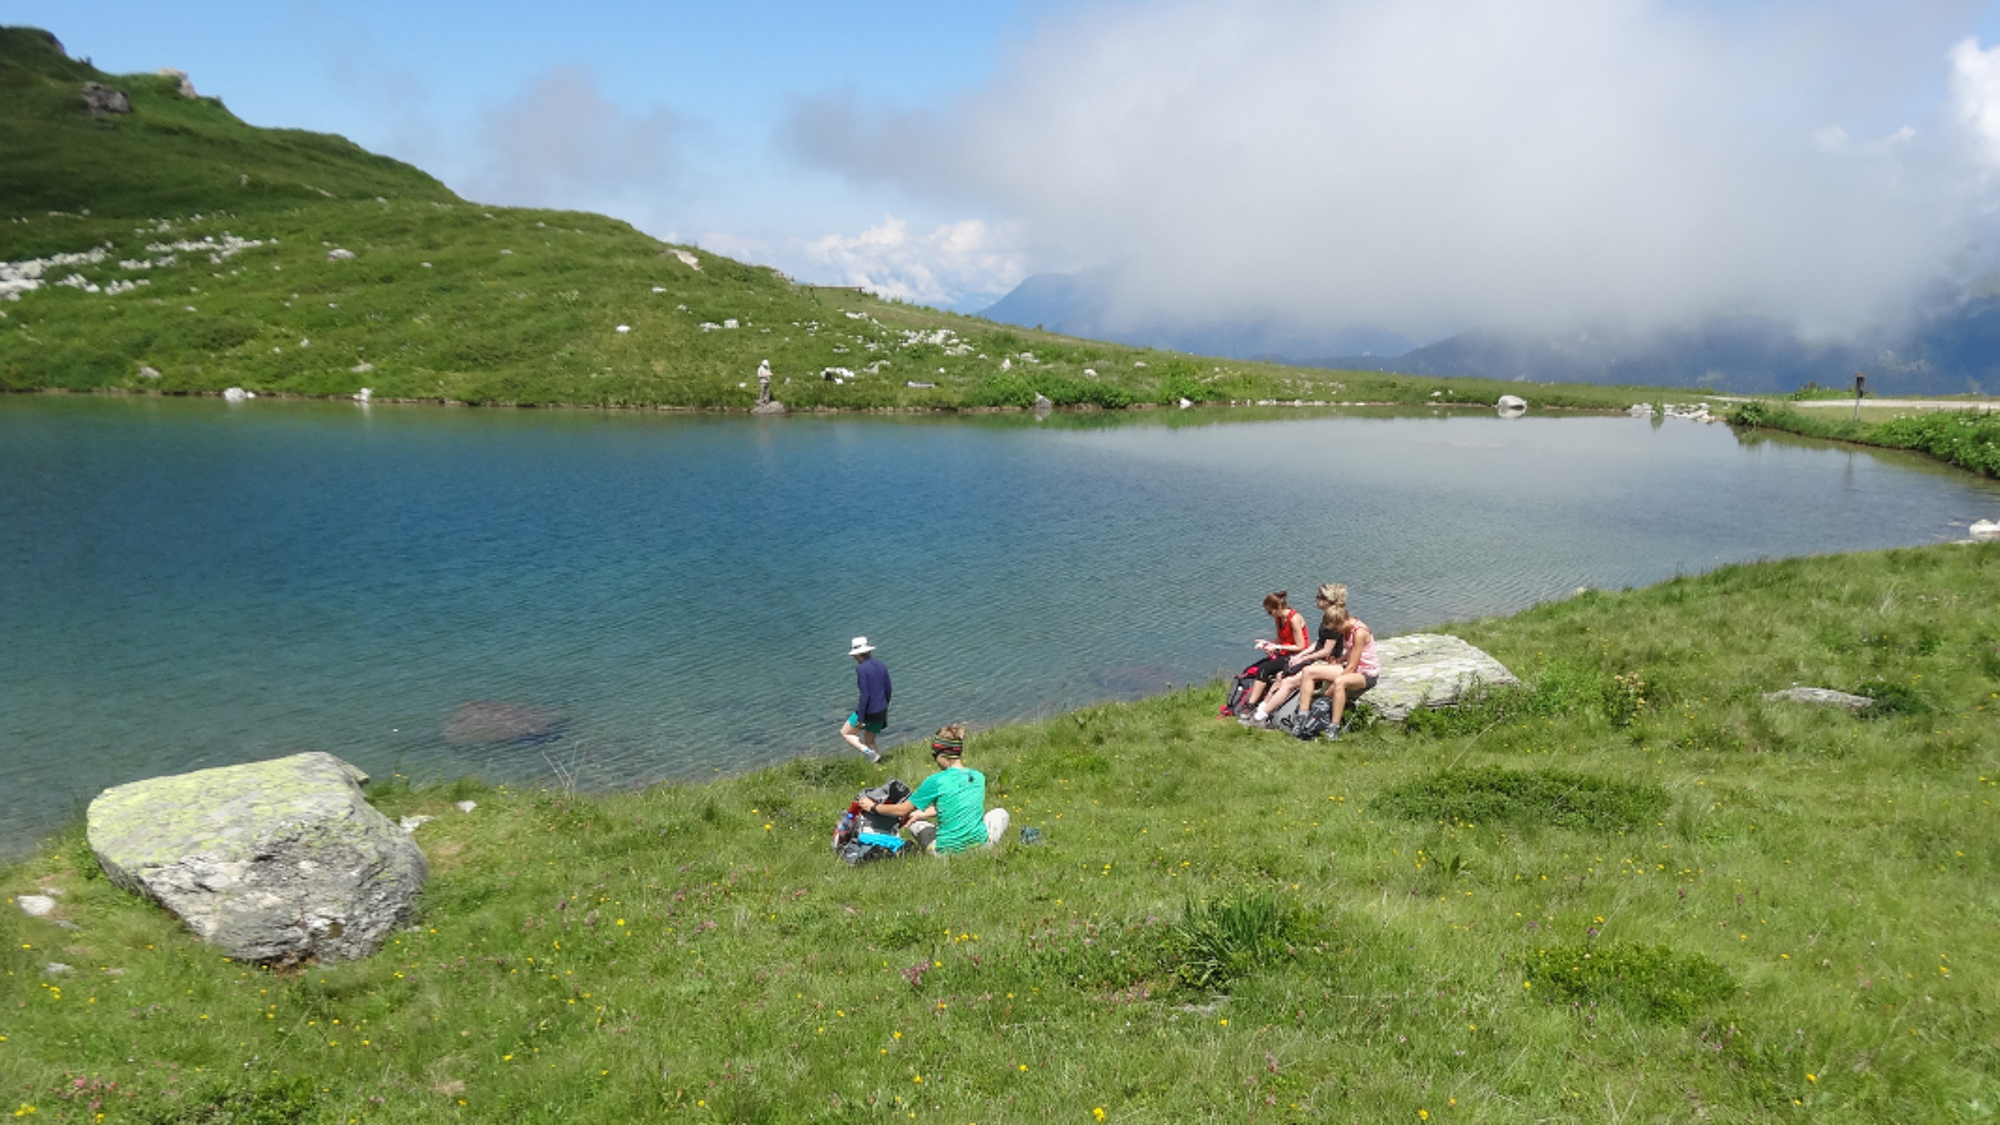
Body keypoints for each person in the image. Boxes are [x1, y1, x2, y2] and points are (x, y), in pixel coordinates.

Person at [854, 723, 1009, 855]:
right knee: (1000, 813)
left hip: (945, 852)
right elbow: (953, 804)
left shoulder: (936, 781)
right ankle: (986, 845)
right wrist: (921, 813)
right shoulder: (978, 777)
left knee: (915, 824)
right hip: (981, 848)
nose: (934, 760)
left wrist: (873, 807)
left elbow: (902, 810)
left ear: (942, 754)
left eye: (934, 755)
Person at [1246, 583, 1346, 727]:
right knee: (1281, 675)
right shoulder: (1327, 617)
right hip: (1315, 657)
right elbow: (1319, 643)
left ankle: (1261, 716)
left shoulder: (1333, 620)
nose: (1315, 599)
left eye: (1318, 597)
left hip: (1324, 661)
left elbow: (1326, 651)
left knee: (1287, 681)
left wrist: (1303, 657)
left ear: (1327, 600)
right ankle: (1261, 710)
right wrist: (1300, 656)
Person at [1295, 589, 1378, 738]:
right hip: (1353, 668)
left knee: (1340, 682)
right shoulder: (1346, 628)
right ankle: (1303, 715)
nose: (1335, 632)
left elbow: (1353, 665)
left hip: (1366, 674)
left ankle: (1334, 727)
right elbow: (1351, 653)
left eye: (1335, 628)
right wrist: (1339, 661)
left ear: (1342, 621)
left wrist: (1330, 689)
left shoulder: (1359, 632)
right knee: (1308, 671)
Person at [1235, 591, 1310, 715]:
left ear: (1279, 608)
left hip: (1296, 656)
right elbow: (1281, 639)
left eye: (1270, 612)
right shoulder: (1279, 619)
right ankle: (1252, 698)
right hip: (1284, 652)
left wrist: (1277, 647)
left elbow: (1301, 646)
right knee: (1252, 669)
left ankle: (1250, 705)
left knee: (1264, 669)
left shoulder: (1294, 619)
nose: (1269, 615)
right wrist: (1267, 644)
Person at [841, 636, 891, 763]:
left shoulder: (861, 669)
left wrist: (861, 718)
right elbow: (888, 689)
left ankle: (868, 753)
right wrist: (884, 712)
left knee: (846, 733)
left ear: (857, 655)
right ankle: (878, 763)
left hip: (868, 711)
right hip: (881, 709)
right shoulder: (881, 664)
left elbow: (865, 695)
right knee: (870, 740)